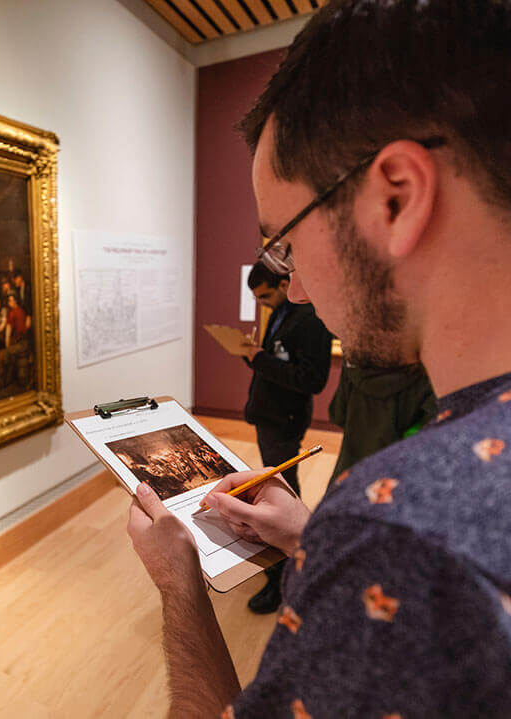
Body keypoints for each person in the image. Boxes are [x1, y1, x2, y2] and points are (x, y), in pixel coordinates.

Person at [127, 2, 511, 717]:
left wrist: (182, 583)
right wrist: (312, 536)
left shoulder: (397, 534)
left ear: (395, 199)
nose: (294, 284)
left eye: (288, 240)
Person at [239, 261, 332, 613]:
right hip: (270, 414)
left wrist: (258, 358)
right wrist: (254, 357)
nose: (261, 302)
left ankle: (285, 572)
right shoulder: (279, 312)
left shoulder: (309, 319)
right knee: (278, 484)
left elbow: (311, 380)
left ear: (283, 283)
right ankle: (289, 561)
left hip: (285, 418)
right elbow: (277, 361)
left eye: (265, 295)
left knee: (281, 489)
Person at [328, 360, 436, 480]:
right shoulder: (428, 376)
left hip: (348, 472)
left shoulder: (354, 364)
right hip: (392, 480)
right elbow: (428, 432)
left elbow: (337, 415)